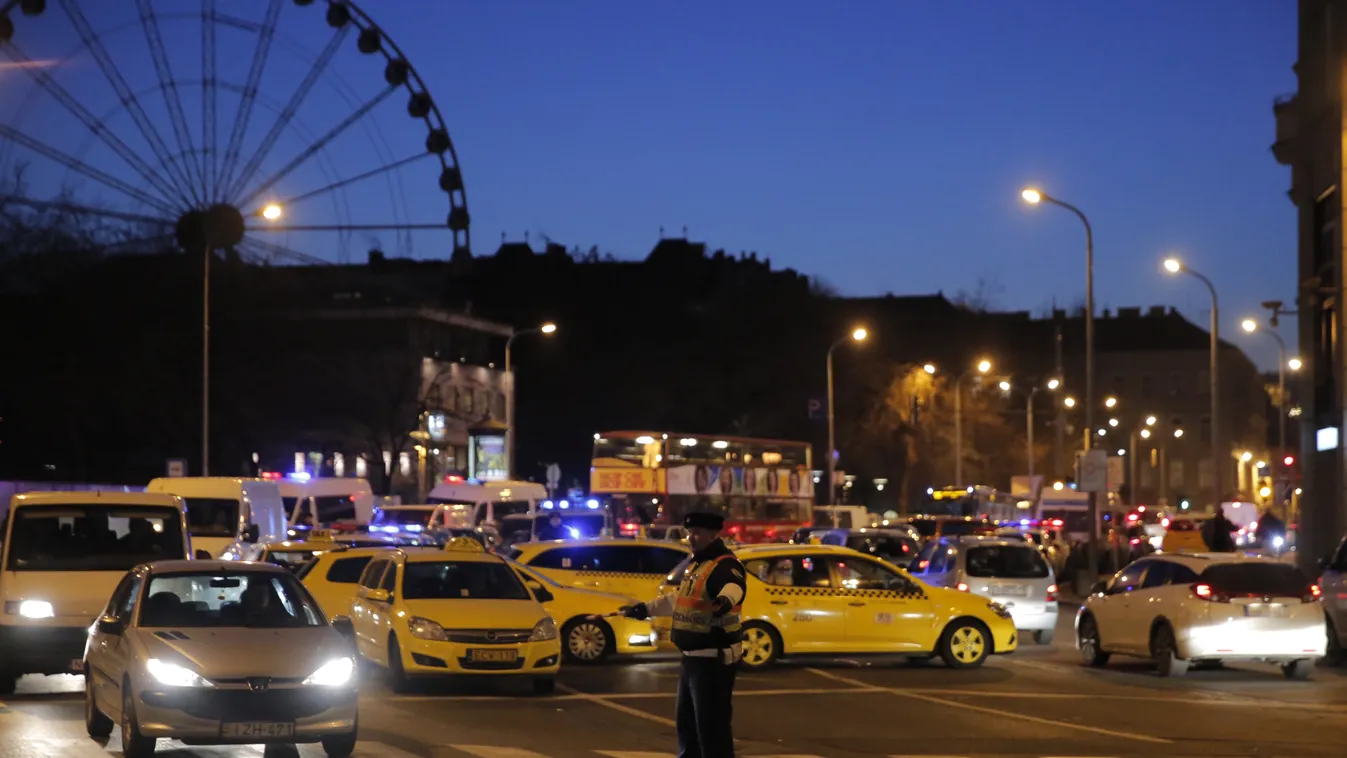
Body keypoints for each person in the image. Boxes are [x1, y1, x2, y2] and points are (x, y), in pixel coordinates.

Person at [620, 512, 746, 758]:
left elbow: (734, 587)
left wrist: (725, 600)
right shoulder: (698, 565)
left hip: (713, 662)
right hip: (692, 660)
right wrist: (644, 610)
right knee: (688, 728)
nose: (691, 537)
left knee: (712, 731)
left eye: (697, 532)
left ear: (713, 534)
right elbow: (678, 600)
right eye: (690, 532)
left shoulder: (725, 564)